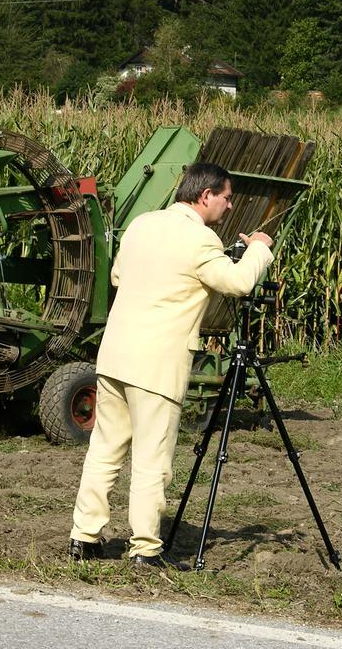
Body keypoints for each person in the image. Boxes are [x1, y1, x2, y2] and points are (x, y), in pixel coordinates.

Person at [68, 162, 274, 570]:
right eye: (227, 198)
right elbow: (237, 283)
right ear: (205, 196)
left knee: (104, 450)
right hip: (157, 365)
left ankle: (84, 537)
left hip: (115, 357)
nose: (230, 206)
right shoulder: (201, 239)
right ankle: (145, 547)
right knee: (151, 459)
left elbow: (117, 275)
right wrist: (259, 249)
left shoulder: (142, 224)